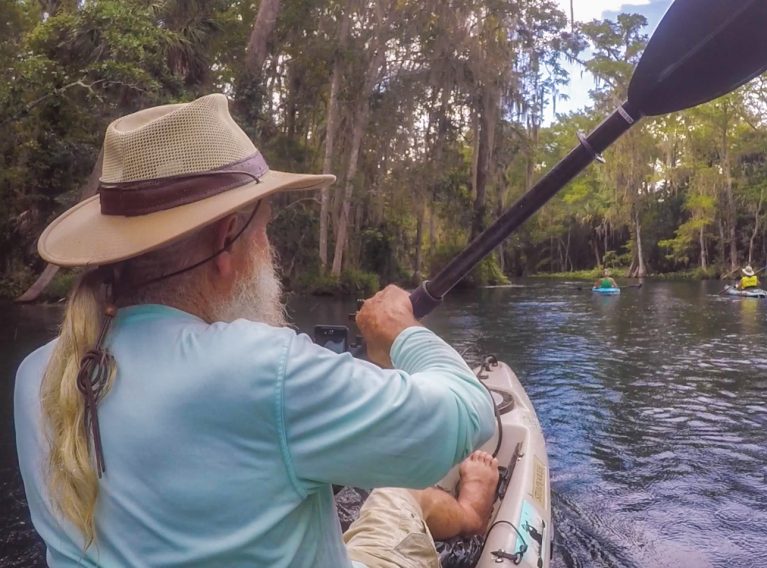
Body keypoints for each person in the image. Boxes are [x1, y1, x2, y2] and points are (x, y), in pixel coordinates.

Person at [14, 94, 497, 567]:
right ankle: (473, 512)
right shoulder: (262, 369)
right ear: (226, 238)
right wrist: (401, 330)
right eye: (264, 228)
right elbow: (469, 412)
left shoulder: (36, 375)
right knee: (400, 494)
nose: (269, 246)